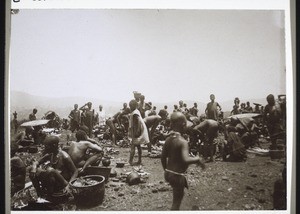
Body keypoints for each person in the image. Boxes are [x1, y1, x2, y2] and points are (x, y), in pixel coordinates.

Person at [161, 112, 205, 210]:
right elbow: (186, 159)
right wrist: (197, 159)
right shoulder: (183, 142)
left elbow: (163, 157)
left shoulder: (168, 139)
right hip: (177, 175)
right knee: (176, 203)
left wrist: (166, 171)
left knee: (177, 196)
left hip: (168, 173)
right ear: (183, 125)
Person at [128, 99, 149, 166]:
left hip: (137, 131)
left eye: (131, 106)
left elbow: (137, 122)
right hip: (138, 130)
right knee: (138, 146)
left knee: (133, 146)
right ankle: (139, 160)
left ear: (134, 106)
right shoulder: (136, 111)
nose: (130, 107)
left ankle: (130, 161)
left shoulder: (134, 113)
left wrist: (136, 132)